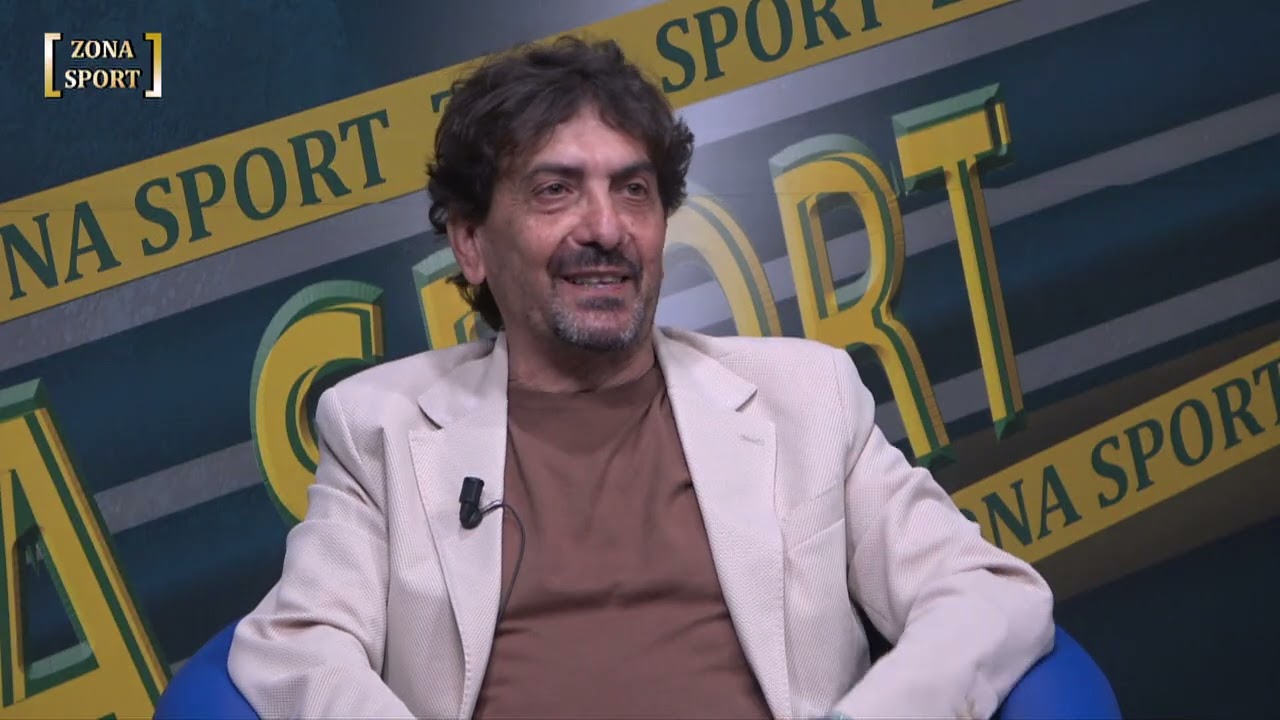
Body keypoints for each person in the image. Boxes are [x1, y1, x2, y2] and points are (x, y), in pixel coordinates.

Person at [228, 35, 1054, 719]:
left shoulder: (806, 396)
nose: (606, 228)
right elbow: (296, 648)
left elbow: (987, 595)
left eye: (633, 190)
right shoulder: (379, 427)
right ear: (471, 244)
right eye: (555, 190)